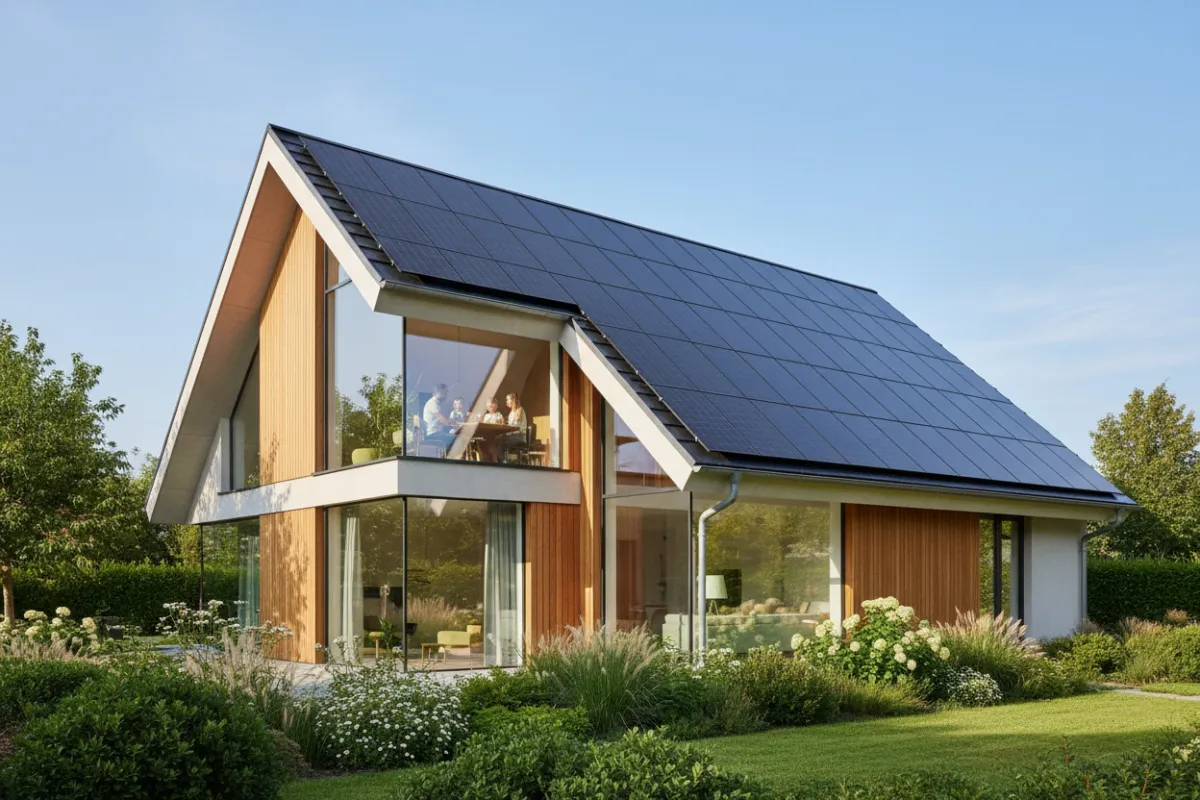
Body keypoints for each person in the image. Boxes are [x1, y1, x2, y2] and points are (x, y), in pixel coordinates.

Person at [422, 384, 454, 450]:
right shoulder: (433, 403)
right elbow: (442, 419)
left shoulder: (438, 403)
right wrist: (454, 424)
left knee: (454, 437)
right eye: (445, 393)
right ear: (439, 392)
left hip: (437, 433)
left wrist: (450, 428)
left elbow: (442, 422)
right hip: (433, 434)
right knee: (456, 439)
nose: (446, 395)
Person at [501, 392, 529, 462]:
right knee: (498, 439)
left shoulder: (519, 410)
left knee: (502, 441)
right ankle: (502, 459)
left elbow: (515, 426)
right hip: (513, 435)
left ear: (513, 400)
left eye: (508, 400)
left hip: (519, 436)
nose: (506, 402)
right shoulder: (511, 413)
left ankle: (503, 460)